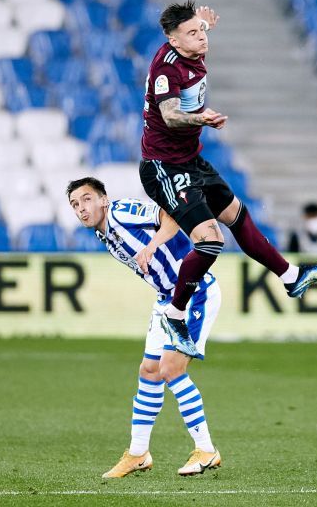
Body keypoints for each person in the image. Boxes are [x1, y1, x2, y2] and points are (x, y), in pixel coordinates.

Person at [138, 0, 317, 356]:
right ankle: (175, 314)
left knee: (237, 214)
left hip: (190, 159)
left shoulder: (190, 44)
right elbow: (169, 115)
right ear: (173, 40)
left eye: (201, 31)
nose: (201, 38)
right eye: (192, 33)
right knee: (210, 241)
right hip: (163, 167)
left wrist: (202, 24)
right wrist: (201, 118)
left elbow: (195, 31)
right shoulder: (167, 68)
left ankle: (292, 277)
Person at [67, 177, 223, 478]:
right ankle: (138, 453)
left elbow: (170, 216)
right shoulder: (104, 233)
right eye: (75, 204)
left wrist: (152, 245)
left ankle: (206, 449)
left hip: (194, 291)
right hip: (166, 299)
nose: (81, 208)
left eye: (87, 199)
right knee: (150, 371)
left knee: (171, 368)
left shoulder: (120, 211)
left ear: (103, 199)